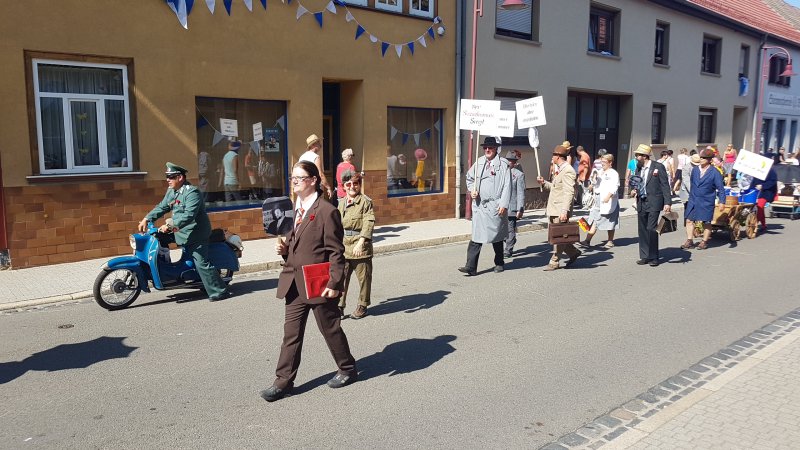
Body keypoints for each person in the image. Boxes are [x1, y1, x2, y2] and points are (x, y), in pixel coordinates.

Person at [261, 160, 357, 402]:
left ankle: (347, 368)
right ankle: (283, 382)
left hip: (318, 283)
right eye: (292, 178)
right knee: (291, 334)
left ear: (313, 180)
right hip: (293, 282)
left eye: (299, 178)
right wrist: (284, 249)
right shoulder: (294, 209)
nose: (294, 182)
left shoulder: (327, 211)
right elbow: (299, 245)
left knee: (330, 329)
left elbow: (336, 252)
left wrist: (335, 284)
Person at [138, 163, 230, 301]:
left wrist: (169, 225)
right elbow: (162, 206)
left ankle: (219, 290)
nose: (167, 180)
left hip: (195, 233)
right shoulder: (172, 191)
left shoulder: (192, 192)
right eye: (166, 177)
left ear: (180, 177)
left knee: (201, 262)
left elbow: (189, 215)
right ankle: (169, 274)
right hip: (180, 230)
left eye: (170, 177)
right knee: (158, 238)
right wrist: (147, 218)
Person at [458, 136, 511, 276]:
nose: (487, 150)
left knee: (496, 237)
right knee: (477, 236)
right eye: (485, 148)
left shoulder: (503, 164)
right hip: (480, 205)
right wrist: (472, 190)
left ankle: (499, 262)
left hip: (496, 204)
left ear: (496, 149)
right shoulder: (479, 162)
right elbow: (469, 178)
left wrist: (504, 204)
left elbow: (507, 186)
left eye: (490, 148)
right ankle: (471, 267)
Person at [537, 144, 582, 271]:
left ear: (558, 156)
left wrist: (564, 210)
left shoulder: (568, 170)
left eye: (553, 155)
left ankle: (554, 261)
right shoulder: (560, 169)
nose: (552, 157)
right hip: (554, 208)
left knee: (558, 238)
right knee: (560, 236)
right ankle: (573, 253)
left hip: (560, 209)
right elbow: (556, 188)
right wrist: (544, 183)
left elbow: (569, 192)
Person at [337, 170, 375, 320]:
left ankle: (362, 305)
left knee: (364, 278)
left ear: (359, 185)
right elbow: (336, 225)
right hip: (344, 246)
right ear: (344, 186)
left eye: (355, 183)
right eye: (349, 184)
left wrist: (361, 243)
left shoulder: (365, 202)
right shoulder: (341, 203)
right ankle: (339, 306)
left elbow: (368, 222)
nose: (352, 187)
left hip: (360, 247)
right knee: (341, 278)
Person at [630, 144, 672, 267]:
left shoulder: (658, 167)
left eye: (638, 155)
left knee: (651, 228)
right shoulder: (638, 168)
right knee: (642, 229)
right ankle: (644, 256)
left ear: (644, 156)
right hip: (641, 201)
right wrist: (633, 190)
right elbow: (635, 182)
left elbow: (665, 185)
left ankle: (654, 256)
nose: (636, 157)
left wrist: (668, 202)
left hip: (654, 201)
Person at [681, 148, 726, 250]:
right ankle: (689, 240)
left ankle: (704, 241)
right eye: (701, 157)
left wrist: (722, 202)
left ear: (709, 160)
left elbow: (721, 188)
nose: (701, 159)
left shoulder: (715, 172)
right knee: (689, 220)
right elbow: (692, 183)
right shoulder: (695, 170)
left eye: (704, 158)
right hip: (693, 199)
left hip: (706, 200)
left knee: (706, 222)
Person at [579, 154, 620, 249]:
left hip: (608, 200)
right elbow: (595, 182)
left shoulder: (613, 173)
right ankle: (587, 240)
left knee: (610, 221)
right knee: (595, 219)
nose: (602, 164)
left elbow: (615, 186)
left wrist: (609, 196)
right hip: (598, 200)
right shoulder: (600, 172)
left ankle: (610, 240)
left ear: (610, 163)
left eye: (604, 162)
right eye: (601, 162)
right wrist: (591, 185)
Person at [503, 151, 525, 258]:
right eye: (507, 161)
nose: (508, 163)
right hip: (501, 206)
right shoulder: (501, 172)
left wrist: (520, 209)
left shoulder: (519, 175)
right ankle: (511, 240)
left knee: (510, 229)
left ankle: (508, 250)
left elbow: (521, 193)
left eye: (511, 161)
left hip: (512, 206)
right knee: (500, 229)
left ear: (514, 162)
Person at [300, 134, 333, 199]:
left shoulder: (302, 157)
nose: (320, 144)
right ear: (313, 145)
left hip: (303, 187)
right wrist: (328, 187)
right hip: (314, 187)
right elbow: (320, 174)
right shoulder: (315, 157)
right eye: (318, 142)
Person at [754, 164, 779, 233]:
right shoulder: (758, 170)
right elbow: (755, 180)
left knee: (760, 206)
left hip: (768, 192)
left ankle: (755, 223)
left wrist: (763, 186)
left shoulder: (772, 171)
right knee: (759, 208)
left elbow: (773, 182)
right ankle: (763, 225)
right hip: (757, 191)